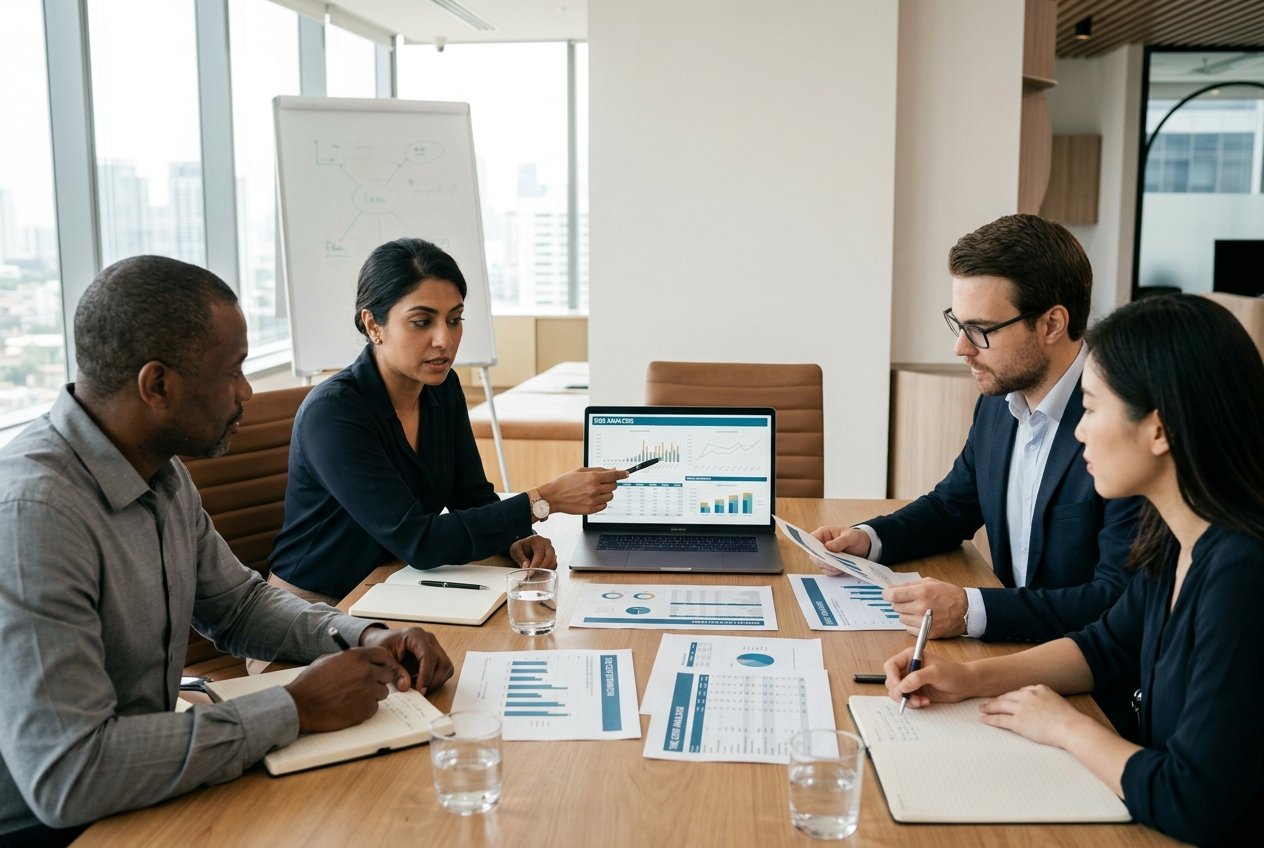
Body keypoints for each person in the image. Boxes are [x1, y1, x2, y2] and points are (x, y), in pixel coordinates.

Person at [0, 256, 454, 847]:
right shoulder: (34, 515)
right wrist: (293, 708)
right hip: (58, 827)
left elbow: (237, 607)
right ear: (157, 385)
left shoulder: (158, 470)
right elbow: (69, 776)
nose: (246, 392)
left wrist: (363, 635)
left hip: (149, 779)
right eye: (234, 370)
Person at [884, 294, 1264, 847]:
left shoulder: (1242, 573)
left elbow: (1192, 801)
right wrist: (967, 679)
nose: (1079, 431)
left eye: (1091, 407)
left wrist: (1066, 727)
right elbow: (1106, 647)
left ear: (1158, 430)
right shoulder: (1173, 536)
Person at [812, 214, 1141, 643]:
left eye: (980, 330)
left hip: (1085, 672)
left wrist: (971, 610)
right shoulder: (998, 401)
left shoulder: (1121, 423)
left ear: (1052, 324)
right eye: (958, 323)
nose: (960, 348)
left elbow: (1117, 598)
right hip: (1009, 650)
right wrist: (869, 540)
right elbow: (952, 506)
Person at [267, 238, 626, 604]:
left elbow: (470, 497)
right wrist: (543, 500)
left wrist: (513, 538)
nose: (445, 339)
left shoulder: (441, 387)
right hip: (311, 608)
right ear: (373, 324)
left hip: (393, 585)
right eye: (422, 322)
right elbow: (419, 541)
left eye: (454, 320)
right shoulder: (334, 413)